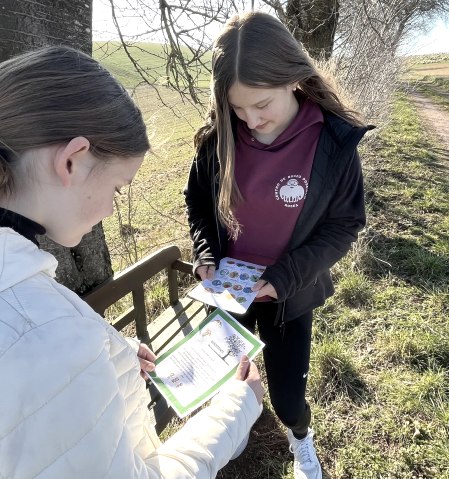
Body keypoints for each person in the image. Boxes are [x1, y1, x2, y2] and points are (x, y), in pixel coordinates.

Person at [0, 45, 264, 479]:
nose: (110, 208)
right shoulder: (48, 342)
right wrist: (237, 409)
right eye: (118, 189)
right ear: (72, 160)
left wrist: (113, 356)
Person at [184, 11, 373, 479]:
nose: (250, 120)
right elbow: (199, 204)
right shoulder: (218, 139)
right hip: (228, 293)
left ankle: (299, 437)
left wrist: (284, 277)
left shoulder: (332, 141)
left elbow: (344, 224)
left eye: (261, 104)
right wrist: (207, 253)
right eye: (237, 108)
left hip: (290, 292)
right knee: (230, 382)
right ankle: (236, 432)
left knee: (289, 397)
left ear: (293, 78)